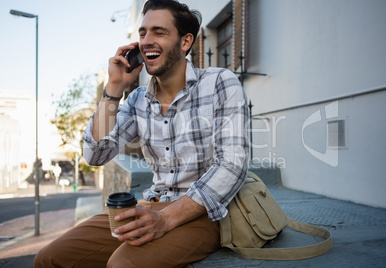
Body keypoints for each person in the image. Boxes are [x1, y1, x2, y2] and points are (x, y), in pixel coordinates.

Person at [34, 0, 249, 267]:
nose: (147, 40)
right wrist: (113, 89)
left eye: (159, 32)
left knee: (123, 264)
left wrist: (167, 219)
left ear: (185, 42)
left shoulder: (220, 82)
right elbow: (96, 154)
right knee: (49, 259)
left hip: (202, 213)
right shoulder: (136, 100)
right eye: (143, 33)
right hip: (150, 205)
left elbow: (232, 163)